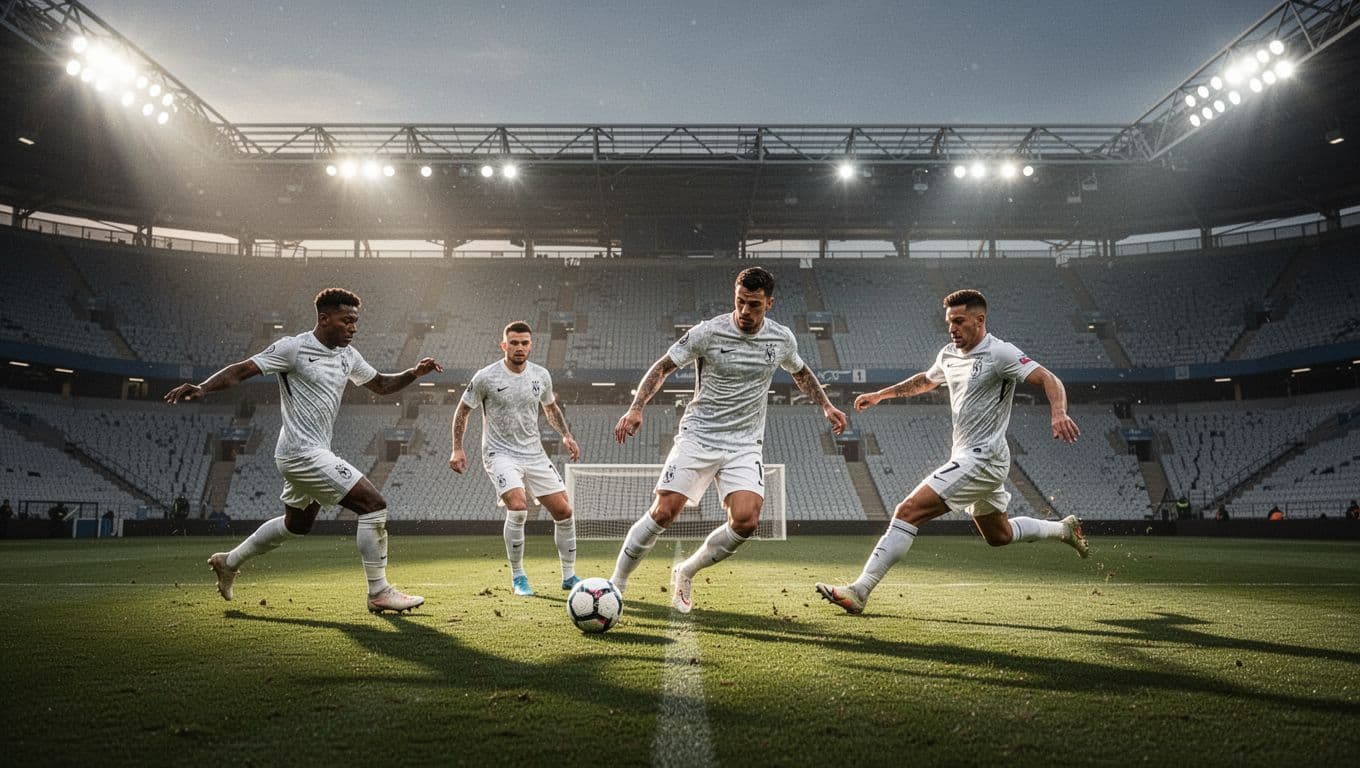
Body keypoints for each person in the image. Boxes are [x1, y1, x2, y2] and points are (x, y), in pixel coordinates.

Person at [165, 287, 443, 614]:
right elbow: (242, 369)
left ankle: (228, 562)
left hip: (310, 451)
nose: (353, 328)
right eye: (346, 321)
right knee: (373, 506)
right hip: (301, 453)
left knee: (297, 524)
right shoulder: (293, 348)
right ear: (324, 319)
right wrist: (202, 387)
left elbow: (381, 384)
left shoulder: (348, 356)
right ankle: (379, 592)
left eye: (355, 321)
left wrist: (414, 373)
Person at [816, 289, 1088, 616]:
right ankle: (1063, 529)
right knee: (999, 535)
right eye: (949, 322)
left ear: (979, 320)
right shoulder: (948, 354)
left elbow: (1047, 378)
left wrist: (1058, 413)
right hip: (972, 456)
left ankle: (860, 590)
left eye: (959, 321)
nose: (952, 328)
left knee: (907, 511)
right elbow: (925, 381)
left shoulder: (1000, 353)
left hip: (983, 457)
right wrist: (880, 395)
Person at [609, 266, 847, 613]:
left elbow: (800, 372)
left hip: (744, 444)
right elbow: (663, 366)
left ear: (769, 304)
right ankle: (616, 584)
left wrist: (826, 405)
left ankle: (686, 571)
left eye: (754, 304)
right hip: (699, 436)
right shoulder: (708, 332)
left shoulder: (781, 339)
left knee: (747, 521)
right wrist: (636, 408)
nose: (745, 311)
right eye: (740, 302)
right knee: (663, 512)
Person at [448, 321, 582, 596]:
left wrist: (566, 435)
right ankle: (519, 576)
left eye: (524, 343)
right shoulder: (486, 377)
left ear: (531, 346)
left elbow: (550, 407)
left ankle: (569, 576)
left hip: (534, 453)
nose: (519, 348)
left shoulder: (541, 375)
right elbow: (463, 410)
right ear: (504, 345)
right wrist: (457, 448)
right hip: (500, 453)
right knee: (519, 507)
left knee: (564, 511)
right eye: (514, 343)